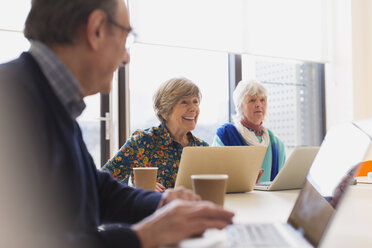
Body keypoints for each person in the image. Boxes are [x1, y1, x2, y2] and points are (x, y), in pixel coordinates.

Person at [0, 1, 234, 248]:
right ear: (97, 29)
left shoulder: (51, 101)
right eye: (126, 37)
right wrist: (143, 237)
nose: (126, 57)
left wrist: (162, 202)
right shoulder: (10, 100)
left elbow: (96, 189)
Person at [102, 77, 208, 192]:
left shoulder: (203, 148)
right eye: (184, 102)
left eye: (195, 101)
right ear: (165, 112)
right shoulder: (142, 141)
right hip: (151, 209)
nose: (193, 108)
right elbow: (100, 182)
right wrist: (137, 189)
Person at [213, 80, 286, 182]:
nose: (258, 105)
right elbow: (216, 177)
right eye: (252, 100)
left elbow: (281, 183)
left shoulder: (277, 144)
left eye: (262, 100)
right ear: (240, 106)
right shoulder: (225, 136)